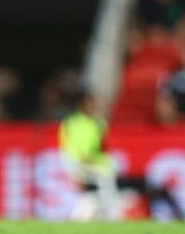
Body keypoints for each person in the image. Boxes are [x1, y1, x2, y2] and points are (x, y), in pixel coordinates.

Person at [60, 90, 184, 221]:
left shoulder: (98, 123)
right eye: (90, 103)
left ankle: (112, 209)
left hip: (97, 165)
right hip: (83, 165)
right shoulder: (73, 123)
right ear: (82, 105)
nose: (93, 106)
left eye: (94, 103)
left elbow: (103, 148)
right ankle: (113, 213)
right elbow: (71, 150)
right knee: (109, 177)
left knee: (113, 173)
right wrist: (75, 168)